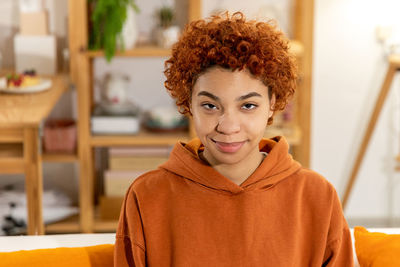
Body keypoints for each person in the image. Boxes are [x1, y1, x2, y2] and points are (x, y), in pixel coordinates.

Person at [114, 12, 354, 266]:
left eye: (248, 106)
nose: (228, 127)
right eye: (210, 105)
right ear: (188, 104)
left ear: (272, 104)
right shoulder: (147, 196)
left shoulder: (317, 196)